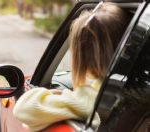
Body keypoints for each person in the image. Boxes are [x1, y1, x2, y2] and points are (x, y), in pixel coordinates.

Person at [13, 2, 131, 132]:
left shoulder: (90, 98)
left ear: (81, 57)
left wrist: (57, 93)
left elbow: (23, 108)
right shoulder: (134, 91)